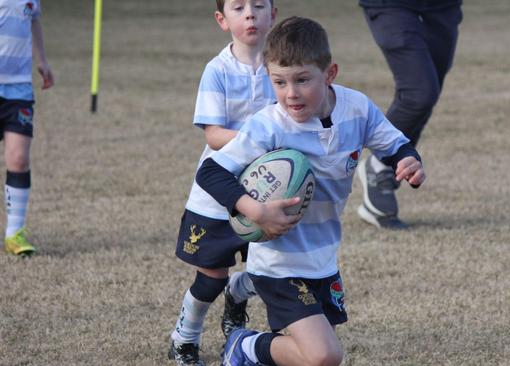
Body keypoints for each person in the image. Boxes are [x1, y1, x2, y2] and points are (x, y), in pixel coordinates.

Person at [195, 16, 426, 366]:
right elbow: (210, 171)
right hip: (277, 263)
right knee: (324, 357)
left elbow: (394, 144)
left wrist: (409, 161)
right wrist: (254, 210)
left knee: (311, 355)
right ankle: (243, 345)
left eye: (303, 80)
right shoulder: (268, 125)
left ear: (329, 73)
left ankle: (247, 341)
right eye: (279, 82)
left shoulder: (357, 109)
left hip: (323, 258)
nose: (291, 94)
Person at [167, 1, 277, 365]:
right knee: (210, 277)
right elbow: (213, 136)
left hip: (267, 192)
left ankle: (238, 293)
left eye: (259, 5)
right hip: (216, 194)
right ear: (222, 20)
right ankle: (185, 338)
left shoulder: (282, 67)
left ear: (273, 14)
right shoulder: (217, 70)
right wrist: (262, 138)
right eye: (238, 7)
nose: (250, 13)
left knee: (270, 271)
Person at [356, 0, 462, 229]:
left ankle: (382, 165)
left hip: (443, 7)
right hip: (390, 5)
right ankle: (380, 164)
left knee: (429, 89)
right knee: (420, 91)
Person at [1, 0, 53, 256]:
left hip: (18, 88)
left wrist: (42, 60)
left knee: (19, 159)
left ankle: (14, 233)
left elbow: (33, 21)